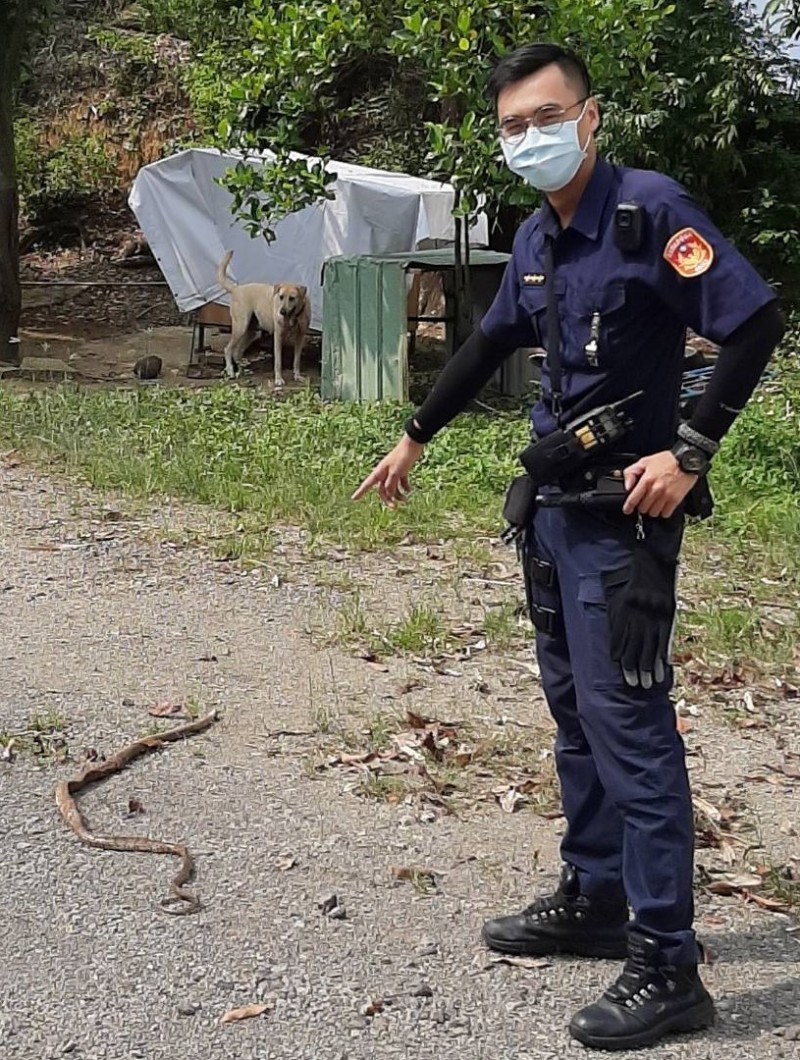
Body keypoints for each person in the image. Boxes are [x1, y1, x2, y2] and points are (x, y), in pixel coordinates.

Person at [352, 42, 784, 1051]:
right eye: (510, 126)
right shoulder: (537, 237)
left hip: (626, 528)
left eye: (544, 118)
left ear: (590, 118)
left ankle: (668, 964)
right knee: (574, 717)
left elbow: (752, 323)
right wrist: (415, 432)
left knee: (631, 730)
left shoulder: (649, 212)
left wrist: (689, 449)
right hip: (552, 511)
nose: (529, 138)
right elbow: (490, 341)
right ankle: (594, 897)